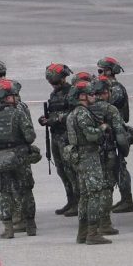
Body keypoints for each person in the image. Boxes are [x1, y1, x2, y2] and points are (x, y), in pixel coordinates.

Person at [0, 79, 38, 238]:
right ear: (6, 97)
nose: (16, 98)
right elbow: (30, 136)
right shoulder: (18, 113)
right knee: (26, 190)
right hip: (20, 158)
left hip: (0, 159)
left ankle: (8, 229)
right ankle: (30, 225)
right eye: (13, 96)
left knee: (5, 193)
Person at [67, 81, 111, 244]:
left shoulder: (73, 114)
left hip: (80, 158)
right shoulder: (83, 114)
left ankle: (83, 232)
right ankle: (92, 233)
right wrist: (102, 129)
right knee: (94, 194)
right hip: (89, 157)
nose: (94, 96)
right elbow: (90, 135)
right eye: (91, 94)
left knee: (84, 196)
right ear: (82, 96)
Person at [38, 63, 80, 216]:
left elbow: (73, 114)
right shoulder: (54, 95)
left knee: (71, 170)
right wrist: (46, 119)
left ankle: (78, 201)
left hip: (67, 136)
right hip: (56, 136)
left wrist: (53, 119)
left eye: (55, 82)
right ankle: (71, 200)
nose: (53, 85)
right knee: (62, 170)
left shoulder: (72, 93)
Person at [90, 76, 129, 235]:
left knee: (93, 189)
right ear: (106, 93)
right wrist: (124, 151)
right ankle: (104, 223)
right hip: (108, 153)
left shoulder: (85, 109)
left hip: (90, 155)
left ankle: (92, 222)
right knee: (107, 187)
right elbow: (120, 135)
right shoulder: (110, 109)